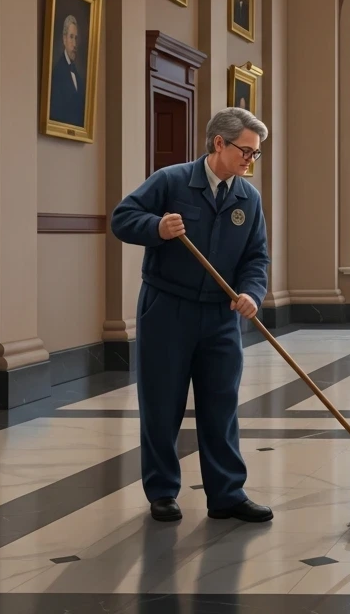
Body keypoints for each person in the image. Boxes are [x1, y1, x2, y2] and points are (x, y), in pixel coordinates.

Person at [110, 108, 272, 524]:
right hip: (167, 309)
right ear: (219, 143)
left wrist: (252, 294)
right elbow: (123, 218)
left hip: (220, 316)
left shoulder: (247, 199)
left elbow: (256, 258)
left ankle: (227, 494)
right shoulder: (171, 181)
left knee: (221, 405)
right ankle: (162, 491)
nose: (250, 160)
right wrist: (157, 227)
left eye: (256, 154)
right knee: (162, 403)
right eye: (246, 151)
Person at [49, 14, 85, 126]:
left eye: (76, 38)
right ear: (64, 39)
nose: (74, 44)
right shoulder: (56, 73)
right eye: (71, 37)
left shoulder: (79, 78)